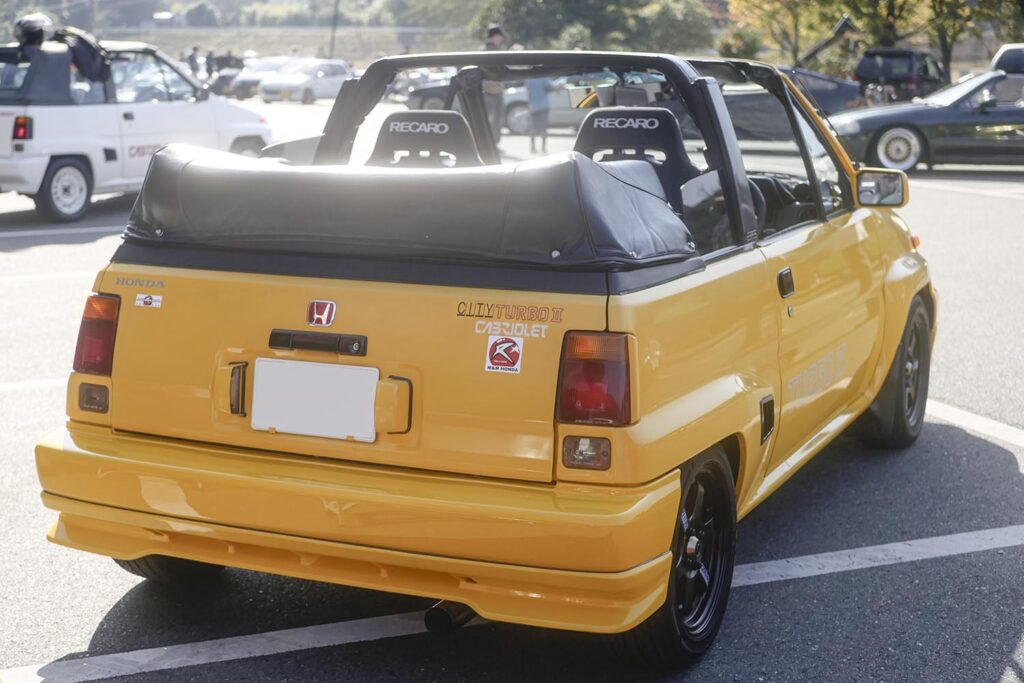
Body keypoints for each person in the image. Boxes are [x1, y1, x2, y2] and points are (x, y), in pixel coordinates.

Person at [480, 25, 507, 144]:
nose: (501, 39)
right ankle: (491, 143)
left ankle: (487, 142)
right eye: (500, 36)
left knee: (487, 118)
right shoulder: (493, 51)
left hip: (487, 90)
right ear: (495, 36)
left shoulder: (482, 49)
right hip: (492, 90)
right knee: (494, 119)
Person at [526, 77, 552, 153]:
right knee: (544, 128)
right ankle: (543, 148)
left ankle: (532, 147)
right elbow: (548, 87)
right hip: (543, 106)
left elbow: (528, 92)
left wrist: (529, 105)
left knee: (533, 128)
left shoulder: (528, 78)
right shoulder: (543, 76)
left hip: (533, 106)